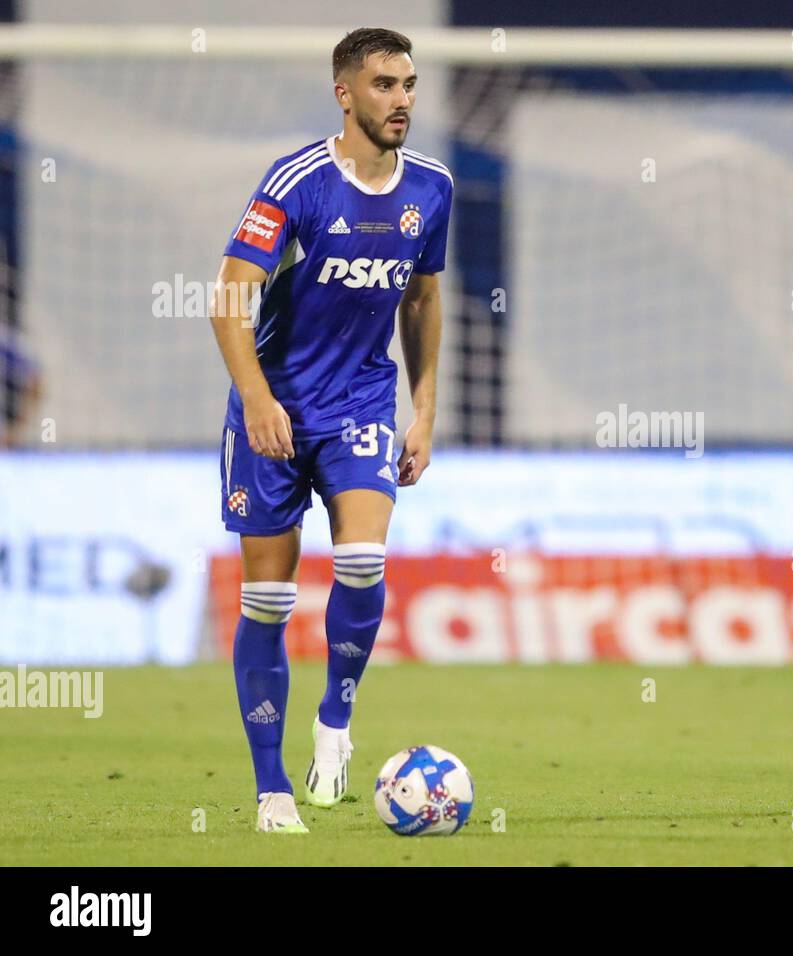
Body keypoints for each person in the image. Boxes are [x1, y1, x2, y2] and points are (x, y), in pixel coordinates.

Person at [208, 27, 452, 833]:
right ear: (345, 94)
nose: (403, 100)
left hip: (359, 405)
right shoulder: (297, 184)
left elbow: (421, 298)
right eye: (384, 85)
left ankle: (336, 723)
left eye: (409, 84)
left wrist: (421, 408)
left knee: (362, 557)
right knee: (270, 598)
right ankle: (272, 787)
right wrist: (255, 398)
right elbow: (229, 298)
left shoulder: (433, 190)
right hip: (273, 409)